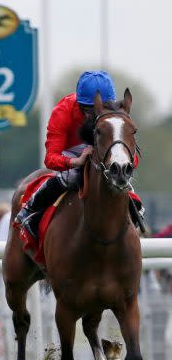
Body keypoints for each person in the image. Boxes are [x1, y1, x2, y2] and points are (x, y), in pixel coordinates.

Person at [14, 70, 144, 238]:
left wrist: (124, 163)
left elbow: (132, 158)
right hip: (71, 151)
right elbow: (50, 158)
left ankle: (136, 211)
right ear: (80, 105)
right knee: (73, 177)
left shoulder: (116, 117)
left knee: (118, 177)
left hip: (101, 148)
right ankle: (30, 212)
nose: (97, 114)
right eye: (91, 110)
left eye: (102, 108)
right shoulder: (62, 112)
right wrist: (75, 161)